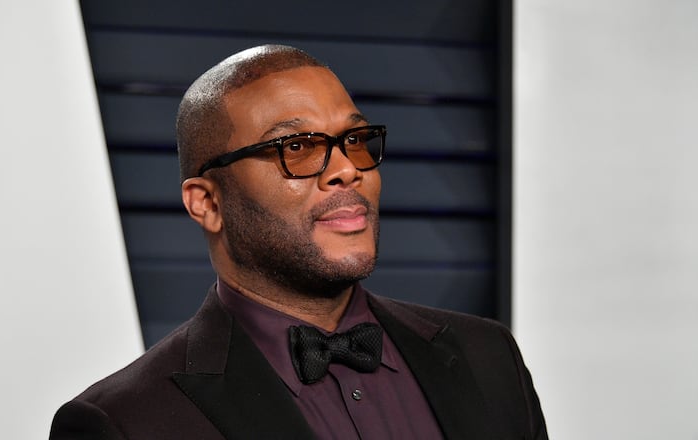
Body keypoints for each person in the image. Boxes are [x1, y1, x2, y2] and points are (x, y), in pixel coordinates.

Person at [50, 44, 547, 440]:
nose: (347, 170)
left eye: (354, 140)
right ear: (207, 202)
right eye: (296, 148)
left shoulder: (489, 356)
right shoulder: (121, 423)